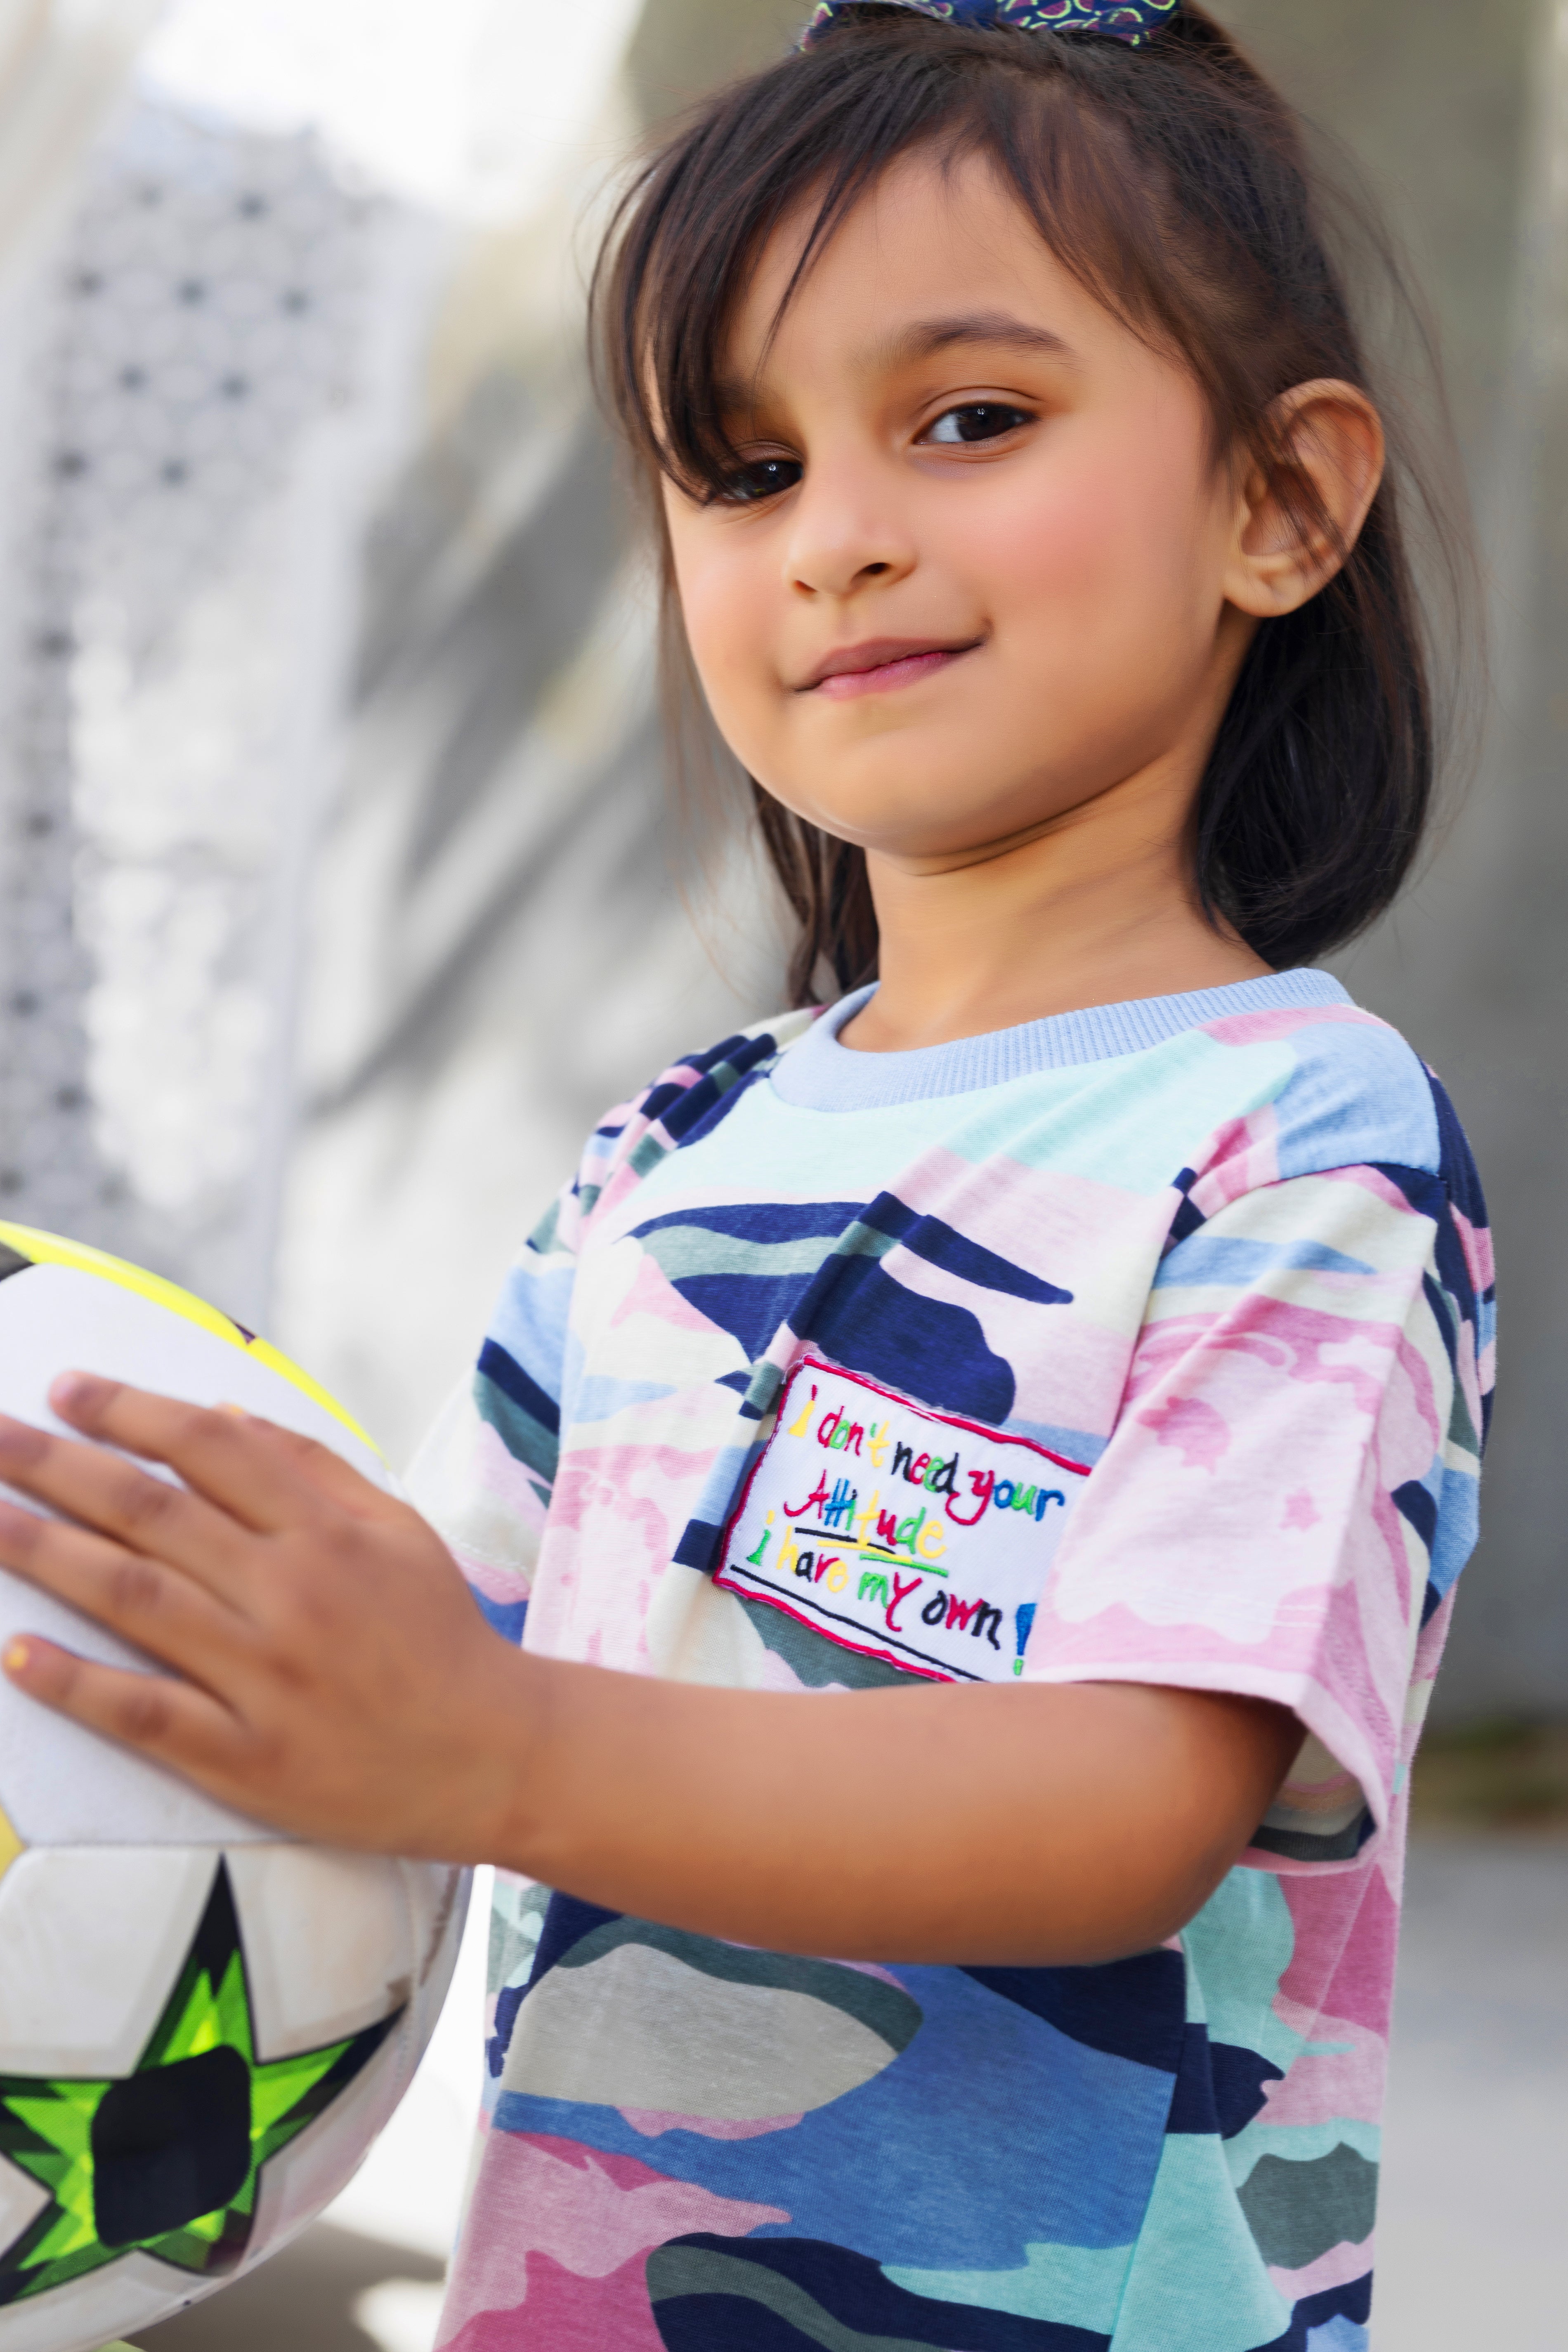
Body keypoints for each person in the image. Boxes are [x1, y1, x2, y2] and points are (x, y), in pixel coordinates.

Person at [0, 5, 1495, 2348]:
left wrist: (496, 1749)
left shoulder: (1295, 1138)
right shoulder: (666, 1157)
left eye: (968, 419)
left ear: (1276, 503)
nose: (840, 537)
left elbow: (1130, 1805)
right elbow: (408, 1661)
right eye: (739, 464)